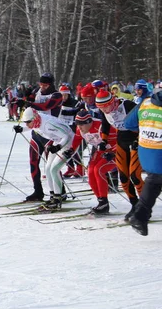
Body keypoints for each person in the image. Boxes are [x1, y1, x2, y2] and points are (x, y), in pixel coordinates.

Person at [95, 89, 143, 220]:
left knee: (135, 176)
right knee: (123, 178)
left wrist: (139, 140)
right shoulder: (104, 111)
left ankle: (145, 207)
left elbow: (143, 122)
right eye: (101, 107)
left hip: (136, 139)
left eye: (106, 106)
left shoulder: (127, 105)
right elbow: (105, 125)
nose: (104, 110)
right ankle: (135, 205)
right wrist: (104, 141)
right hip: (121, 139)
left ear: (112, 101)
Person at [13, 108, 74, 210]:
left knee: (54, 169)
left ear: (34, 119)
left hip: (68, 143)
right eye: (25, 122)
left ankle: (58, 198)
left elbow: (66, 136)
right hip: (57, 141)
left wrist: (58, 147)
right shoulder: (36, 121)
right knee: (48, 169)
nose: (27, 124)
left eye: (28, 122)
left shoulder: (48, 124)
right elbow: (32, 127)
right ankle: (53, 196)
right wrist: (22, 129)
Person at [124, 85, 162, 235]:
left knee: (154, 181)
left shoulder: (145, 102)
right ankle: (139, 216)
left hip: (146, 151)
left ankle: (139, 216)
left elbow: (128, 123)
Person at [22, 73, 63, 201]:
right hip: (37, 132)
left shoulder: (57, 95)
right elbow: (28, 101)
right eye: (41, 84)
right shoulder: (37, 91)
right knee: (33, 162)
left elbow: (46, 106)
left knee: (52, 166)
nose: (43, 87)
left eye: (45, 85)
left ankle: (60, 191)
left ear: (51, 84)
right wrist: (26, 96)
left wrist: (29, 103)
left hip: (50, 134)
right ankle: (38, 191)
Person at [67, 110, 117, 214]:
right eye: (77, 124)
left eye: (81, 125)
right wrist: (71, 150)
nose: (79, 127)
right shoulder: (80, 129)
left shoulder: (101, 127)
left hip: (115, 152)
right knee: (90, 172)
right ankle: (101, 202)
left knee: (98, 170)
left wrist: (113, 152)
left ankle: (104, 202)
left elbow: (121, 140)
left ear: (89, 122)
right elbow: (77, 139)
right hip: (100, 151)